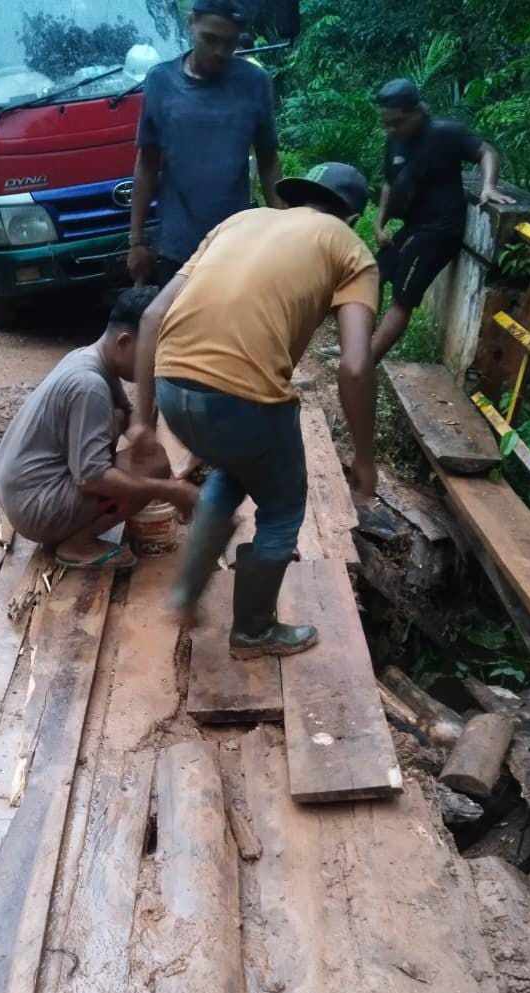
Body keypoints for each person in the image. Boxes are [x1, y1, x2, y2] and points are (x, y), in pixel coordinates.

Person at [130, 163, 379, 659]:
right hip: (243, 401)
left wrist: (142, 420)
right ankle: (254, 631)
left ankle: (185, 592)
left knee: (236, 467)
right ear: (350, 217)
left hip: (173, 385)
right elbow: (354, 366)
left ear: (292, 200)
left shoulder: (240, 221)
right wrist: (365, 459)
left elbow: (154, 313)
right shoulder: (351, 249)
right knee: (283, 509)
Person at [0, 288, 198, 569]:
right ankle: (78, 544)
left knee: (151, 458)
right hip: (35, 506)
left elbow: (126, 415)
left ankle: (74, 527)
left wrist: (142, 425)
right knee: (155, 471)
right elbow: (91, 477)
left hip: (26, 493)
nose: (155, 366)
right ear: (124, 342)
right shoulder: (89, 385)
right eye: (153, 357)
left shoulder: (89, 357)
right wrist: (169, 490)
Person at [127, 0, 282, 289]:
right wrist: (136, 240)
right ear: (191, 23)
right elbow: (147, 163)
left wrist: (283, 229)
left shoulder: (255, 82)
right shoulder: (161, 81)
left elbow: (268, 160)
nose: (219, 52)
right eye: (210, 39)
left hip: (236, 244)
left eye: (230, 43)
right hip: (177, 248)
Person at [372, 78, 515, 359]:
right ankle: (358, 343)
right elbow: (390, 184)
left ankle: (366, 361)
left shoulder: (445, 133)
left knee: (403, 298)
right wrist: (379, 224)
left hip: (440, 231)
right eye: (386, 123)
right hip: (413, 226)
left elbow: (487, 152)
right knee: (372, 275)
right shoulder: (395, 141)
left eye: (397, 122)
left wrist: (488, 186)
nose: (391, 129)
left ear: (416, 112)